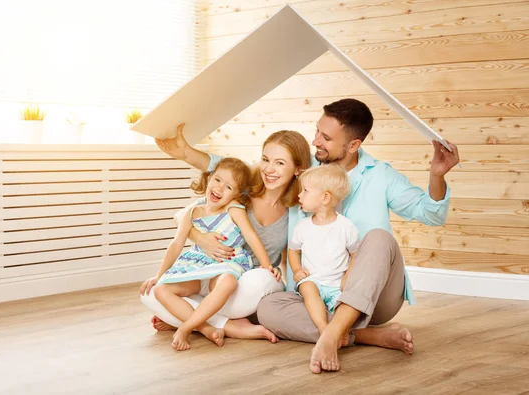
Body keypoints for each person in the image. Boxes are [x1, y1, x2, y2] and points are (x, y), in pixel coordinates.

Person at [249, 98, 460, 373]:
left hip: (374, 300)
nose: (315, 142)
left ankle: (333, 334)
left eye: (325, 137)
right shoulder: (303, 170)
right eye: (316, 131)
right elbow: (247, 173)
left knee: (379, 239)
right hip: (316, 296)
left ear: (353, 145)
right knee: (267, 308)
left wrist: (437, 176)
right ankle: (358, 335)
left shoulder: (380, 175)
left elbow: (431, 214)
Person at [140, 125, 312, 342]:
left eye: (280, 163)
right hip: (209, 273)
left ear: (297, 169)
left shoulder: (298, 210)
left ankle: (186, 319)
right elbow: (186, 215)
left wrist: (285, 287)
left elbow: (290, 258)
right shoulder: (240, 193)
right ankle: (226, 325)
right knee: (151, 291)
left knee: (260, 280)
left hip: (246, 278)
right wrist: (201, 239)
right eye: (266, 159)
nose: (269, 169)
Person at [140, 157, 278, 351]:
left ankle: (186, 327)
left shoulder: (234, 210)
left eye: (229, 187)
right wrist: (159, 275)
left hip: (223, 267)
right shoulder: (193, 211)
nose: (220, 188)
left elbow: (252, 238)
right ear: (210, 177)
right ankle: (205, 328)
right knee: (161, 290)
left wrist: (266, 265)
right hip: (196, 266)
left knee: (228, 282)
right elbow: (176, 244)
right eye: (218, 180)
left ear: (237, 194)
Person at [288, 165, 359, 337]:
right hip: (312, 281)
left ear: (325, 198)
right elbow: (293, 250)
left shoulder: (346, 226)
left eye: (305, 191)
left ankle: (339, 330)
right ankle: (323, 329)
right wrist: (297, 270)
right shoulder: (302, 226)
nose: (299, 195)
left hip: (337, 286)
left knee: (346, 307)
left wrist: (348, 277)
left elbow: (356, 254)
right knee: (308, 288)